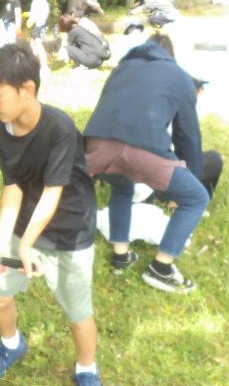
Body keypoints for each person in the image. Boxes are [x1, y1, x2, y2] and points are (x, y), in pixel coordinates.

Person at [0, 43, 102, 386]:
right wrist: (5, 239)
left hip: (69, 230)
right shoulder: (0, 131)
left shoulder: (59, 128)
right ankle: (11, 344)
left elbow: (52, 192)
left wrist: (26, 244)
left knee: (77, 312)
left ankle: (87, 370)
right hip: (26, 223)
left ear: (27, 89)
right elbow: (13, 186)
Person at [83, 33, 208, 293]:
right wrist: (191, 177)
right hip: (141, 147)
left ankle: (121, 256)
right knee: (196, 198)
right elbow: (187, 136)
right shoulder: (179, 76)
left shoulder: (121, 69)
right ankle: (161, 269)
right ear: (171, 55)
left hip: (96, 146)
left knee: (122, 188)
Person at [26, 0, 50, 70]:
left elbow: (33, 17)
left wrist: (28, 22)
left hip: (39, 27)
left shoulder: (36, 0)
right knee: (33, 47)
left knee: (39, 49)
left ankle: (44, 67)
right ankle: (33, 66)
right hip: (43, 25)